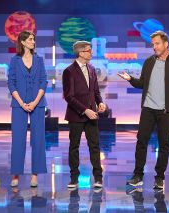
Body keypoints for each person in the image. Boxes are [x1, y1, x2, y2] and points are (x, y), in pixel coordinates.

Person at [118, 30, 169, 189]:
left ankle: (159, 177)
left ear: (166, 44)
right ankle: (138, 175)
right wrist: (130, 79)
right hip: (148, 109)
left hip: (166, 111)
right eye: (153, 44)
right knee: (141, 141)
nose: (154, 47)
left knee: (164, 144)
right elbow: (142, 83)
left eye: (157, 44)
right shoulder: (149, 62)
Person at [62, 41, 106, 189]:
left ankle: (98, 178)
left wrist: (100, 103)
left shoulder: (92, 69)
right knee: (74, 146)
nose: (91, 53)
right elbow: (69, 96)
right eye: (89, 51)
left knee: (95, 146)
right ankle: (74, 178)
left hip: (92, 114)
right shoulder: (69, 71)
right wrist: (84, 110)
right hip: (76, 115)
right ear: (80, 53)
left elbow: (95, 92)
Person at [7, 30, 48, 187]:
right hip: (19, 104)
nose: (33, 42)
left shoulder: (39, 60)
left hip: (38, 104)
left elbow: (43, 82)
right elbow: (11, 83)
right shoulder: (14, 60)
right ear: (23, 42)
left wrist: (35, 101)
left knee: (38, 139)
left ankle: (35, 175)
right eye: (30, 39)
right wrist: (22, 102)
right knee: (18, 139)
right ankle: (16, 174)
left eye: (33, 39)